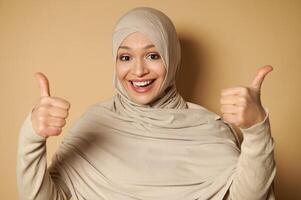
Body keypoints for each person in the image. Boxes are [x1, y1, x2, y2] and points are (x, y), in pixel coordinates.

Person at [17, 7, 276, 200]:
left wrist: (256, 130)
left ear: (172, 58)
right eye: (126, 57)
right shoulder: (94, 123)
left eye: (153, 55)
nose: (138, 70)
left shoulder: (210, 129)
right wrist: (32, 138)